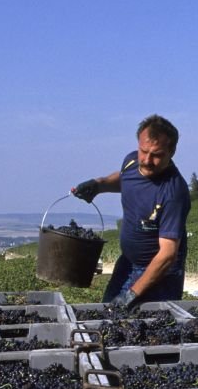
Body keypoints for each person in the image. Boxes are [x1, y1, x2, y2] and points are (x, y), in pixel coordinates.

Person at [72, 114, 190, 307]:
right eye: (143, 151)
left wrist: (132, 293)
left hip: (160, 274)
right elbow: (125, 179)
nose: (147, 160)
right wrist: (99, 184)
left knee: (147, 328)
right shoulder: (131, 162)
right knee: (108, 314)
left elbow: (168, 254)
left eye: (157, 155)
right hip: (127, 263)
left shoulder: (173, 193)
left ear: (172, 151)